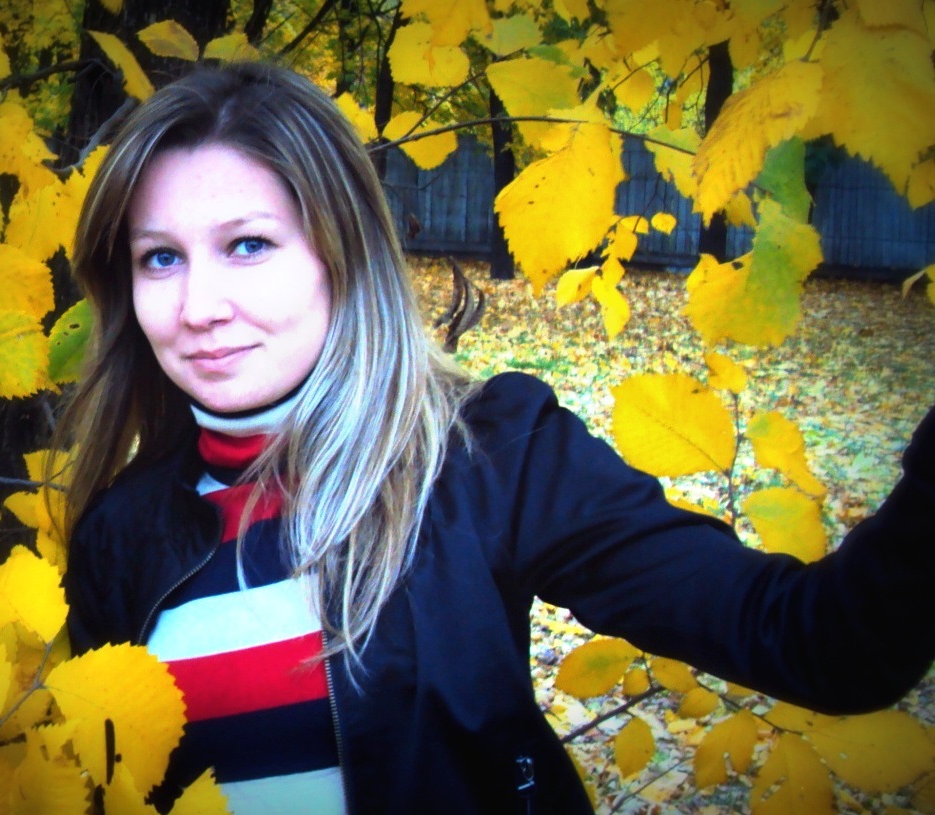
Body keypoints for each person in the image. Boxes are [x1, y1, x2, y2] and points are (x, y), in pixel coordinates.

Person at [56, 60, 934, 814]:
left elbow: (829, 644)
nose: (199, 306)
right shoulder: (120, 538)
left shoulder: (488, 460)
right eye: (160, 257)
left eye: (248, 245)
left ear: (341, 255)